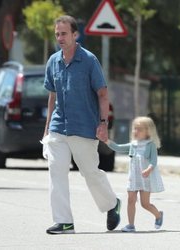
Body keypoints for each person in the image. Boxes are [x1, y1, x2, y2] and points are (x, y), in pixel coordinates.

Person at [42, 15, 121, 234]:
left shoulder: (88, 60)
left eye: (64, 33)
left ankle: (112, 204)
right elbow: (52, 96)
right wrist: (48, 127)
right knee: (56, 171)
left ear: (75, 35)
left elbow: (103, 94)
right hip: (59, 126)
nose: (60, 38)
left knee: (90, 173)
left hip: (84, 126)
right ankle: (64, 221)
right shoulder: (53, 62)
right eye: (57, 34)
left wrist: (103, 123)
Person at [106, 116, 164, 232]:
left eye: (140, 129)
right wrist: (106, 140)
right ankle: (131, 225)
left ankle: (158, 215)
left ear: (148, 131)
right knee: (131, 200)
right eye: (134, 129)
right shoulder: (133, 145)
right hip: (133, 178)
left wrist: (148, 169)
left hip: (145, 178)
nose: (136, 131)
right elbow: (117, 148)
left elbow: (154, 161)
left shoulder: (150, 145)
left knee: (145, 204)